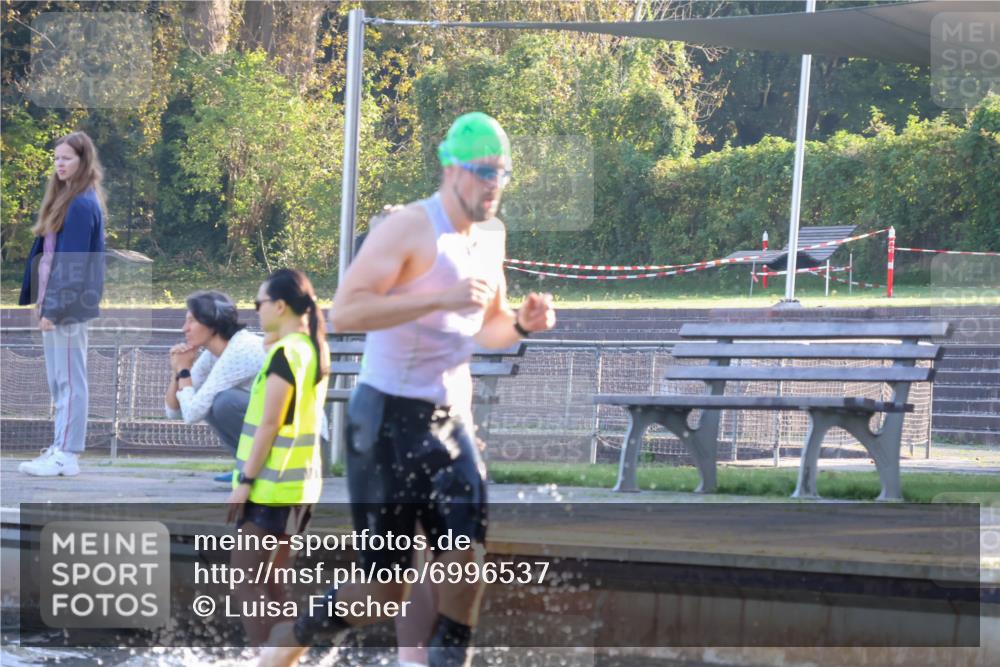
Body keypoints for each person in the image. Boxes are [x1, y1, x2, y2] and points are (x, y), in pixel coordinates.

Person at [258, 112, 556, 667]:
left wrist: (519, 324)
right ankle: (288, 642)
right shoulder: (409, 228)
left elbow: (486, 324)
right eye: (482, 172)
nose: (493, 186)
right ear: (450, 168)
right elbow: (346, 310)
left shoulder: (492, 237)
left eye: (502, 174)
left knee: (465, 568)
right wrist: (436, 299)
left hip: (449, 422)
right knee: (382, 592)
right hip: (386, 421)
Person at [227, 269, 330, 645]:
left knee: (245, 579)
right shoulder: (308, 348)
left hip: (271, 487)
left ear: (281, 305)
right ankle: (287, 656)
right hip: (299, 484)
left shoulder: (287, 355)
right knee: (272, 584)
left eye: (260, 303)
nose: (256, 311)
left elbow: (270, 423)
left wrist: (246, 483)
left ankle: (266, 658)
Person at [18, 131, 106, 477]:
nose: (60, 164)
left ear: (83, 161)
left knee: (70, 379)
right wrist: (41, 302)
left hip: (68, 307)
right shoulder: (65, 199)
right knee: (59, 381)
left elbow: (72, 264)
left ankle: (68, 454)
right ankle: (59, 446)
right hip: (52, 304)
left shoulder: (83, 203)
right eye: (57, 159)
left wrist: (54, 309)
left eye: (67, 158)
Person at [165, 291, 266, 482]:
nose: (184, 328)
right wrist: (177, 371)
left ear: (213, 324)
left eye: (192, 321)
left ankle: (254, 468)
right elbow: (174, 412)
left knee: (224, 402)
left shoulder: (240, 350)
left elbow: (192, 414)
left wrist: (184, 370)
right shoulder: (213, 355)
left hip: (298, 439)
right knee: (214, 401)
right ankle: (245, 466)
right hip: (274, 423)